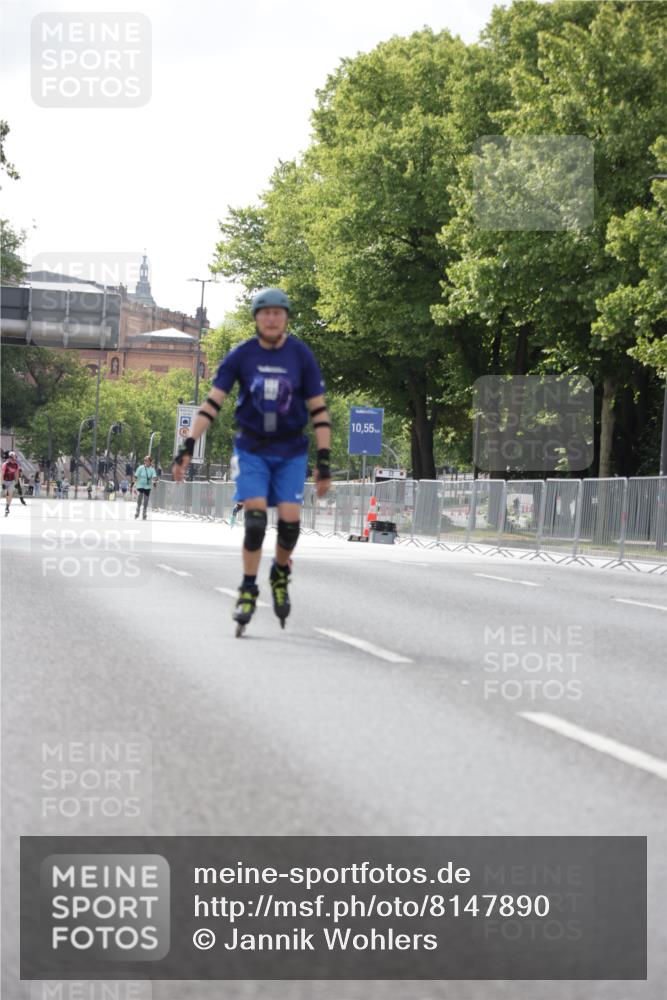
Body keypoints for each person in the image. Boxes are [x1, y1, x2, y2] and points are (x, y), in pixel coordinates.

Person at [171, 287, 332, 634]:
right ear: (257, 319)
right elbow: (212, 403)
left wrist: (324, 461)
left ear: (286, 318)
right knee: (255, 522)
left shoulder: (300, 356)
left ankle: (279, 571)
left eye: (278, 313)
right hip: (252, 449)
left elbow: (319, 410)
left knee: (289, 526)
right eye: (265, 313)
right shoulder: (242, 355)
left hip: (291, 451)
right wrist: (187, 447)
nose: (272, 319)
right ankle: (247, 587)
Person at [134, 455, 157, 520]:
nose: (146, 462)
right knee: (140, 497)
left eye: (147, 461)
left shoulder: (152, 469)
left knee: (146, 500)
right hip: (140, 485)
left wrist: (154, 483)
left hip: (147, 486)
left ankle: (144, 512)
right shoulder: (140, 468)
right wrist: (133, 484)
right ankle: (137, 510)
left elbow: (154, 477)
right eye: (145, 461)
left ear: (150, 462)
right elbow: (136, 476)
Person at [2, 451, 21, 516]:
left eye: (14, 457)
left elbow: (16, 474)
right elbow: (2, 474)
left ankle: (7, 507)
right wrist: (2, 483)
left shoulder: (16, 465)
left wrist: (17, 482)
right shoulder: (5, 464)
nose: (13, 459)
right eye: (11, 457)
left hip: (11, 481)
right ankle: (7, 505)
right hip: (5, 481)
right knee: (6, 494)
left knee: (10, 494)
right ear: (9, 458)